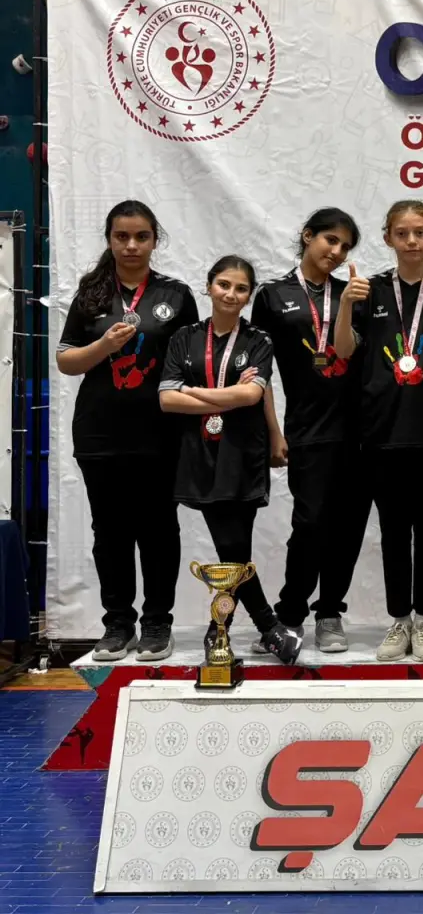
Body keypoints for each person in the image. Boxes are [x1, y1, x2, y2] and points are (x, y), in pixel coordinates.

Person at [56, 200, 199, 662]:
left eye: (141, 236)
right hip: (99, 435)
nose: (132, 245)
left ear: (155, 240)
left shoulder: (176, 295)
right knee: (111, 532)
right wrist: (104, 344)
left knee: (158, 530)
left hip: (160, 435)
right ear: (110, 239)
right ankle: (117, 624)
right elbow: (66, 361)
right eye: (122, 236)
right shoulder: (92, 294)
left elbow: (192, 364)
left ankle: (157, 623)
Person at [332, 201, 423, 663]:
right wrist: (345, 306)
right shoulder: (369, 290)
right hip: (383, 428)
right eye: (402, 233)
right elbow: (343, 351)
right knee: (392, 530)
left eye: (419, 232)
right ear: (388, 238)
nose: (411, 241)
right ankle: (399, 619)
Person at [159, 256, 301, 664]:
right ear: (209, 286)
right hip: (200, 451)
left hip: (243, 452)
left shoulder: (259, 339)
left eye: (241, 288)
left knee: (234, 546)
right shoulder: (184, 337)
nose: (231, 294)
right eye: (224, 284)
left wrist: (193, 391)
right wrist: (227, 396)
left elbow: (252, 395)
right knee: (232, 548)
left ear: (248, 295)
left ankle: (227, 630)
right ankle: (264, 626)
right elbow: (167, 400)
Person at [252, 209, 370, 654]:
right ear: (307, 236)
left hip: (359, 429)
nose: (336, 252)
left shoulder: (352, 293)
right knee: (310, 523)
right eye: (330, 240)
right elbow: (258, 373)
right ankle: (289, 614)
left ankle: (330, 612)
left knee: (348, 526)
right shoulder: (272, 295)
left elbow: (350, 352)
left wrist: (350, 304)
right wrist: (274, 432)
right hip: (306, 428)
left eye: (345, 247)